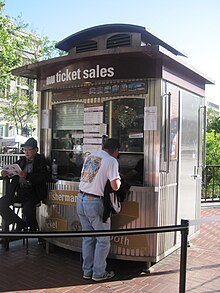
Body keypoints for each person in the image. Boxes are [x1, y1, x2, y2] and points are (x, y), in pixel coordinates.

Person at [76, 138, 121, 282]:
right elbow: (116, 186)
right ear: (115, 150)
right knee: (103, 240)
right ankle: (98, 273)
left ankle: (87, 271)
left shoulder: (91, 155)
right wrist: (119, 179)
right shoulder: (111, 161)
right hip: (94, 202)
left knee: (88, 238)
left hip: (81, 199)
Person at [0, 137, 48, 231]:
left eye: (29, 150)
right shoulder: (21, 161)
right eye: (24, 150)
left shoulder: (41, 161)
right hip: (18, 191)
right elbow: (11, 169)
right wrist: (5, 172)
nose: (26, 152)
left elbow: (44, 177)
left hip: (33, 192)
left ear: (35, 150)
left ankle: (31, 227)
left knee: (27, 209)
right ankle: (19, 222)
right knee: (1, 203)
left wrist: (27, 176)